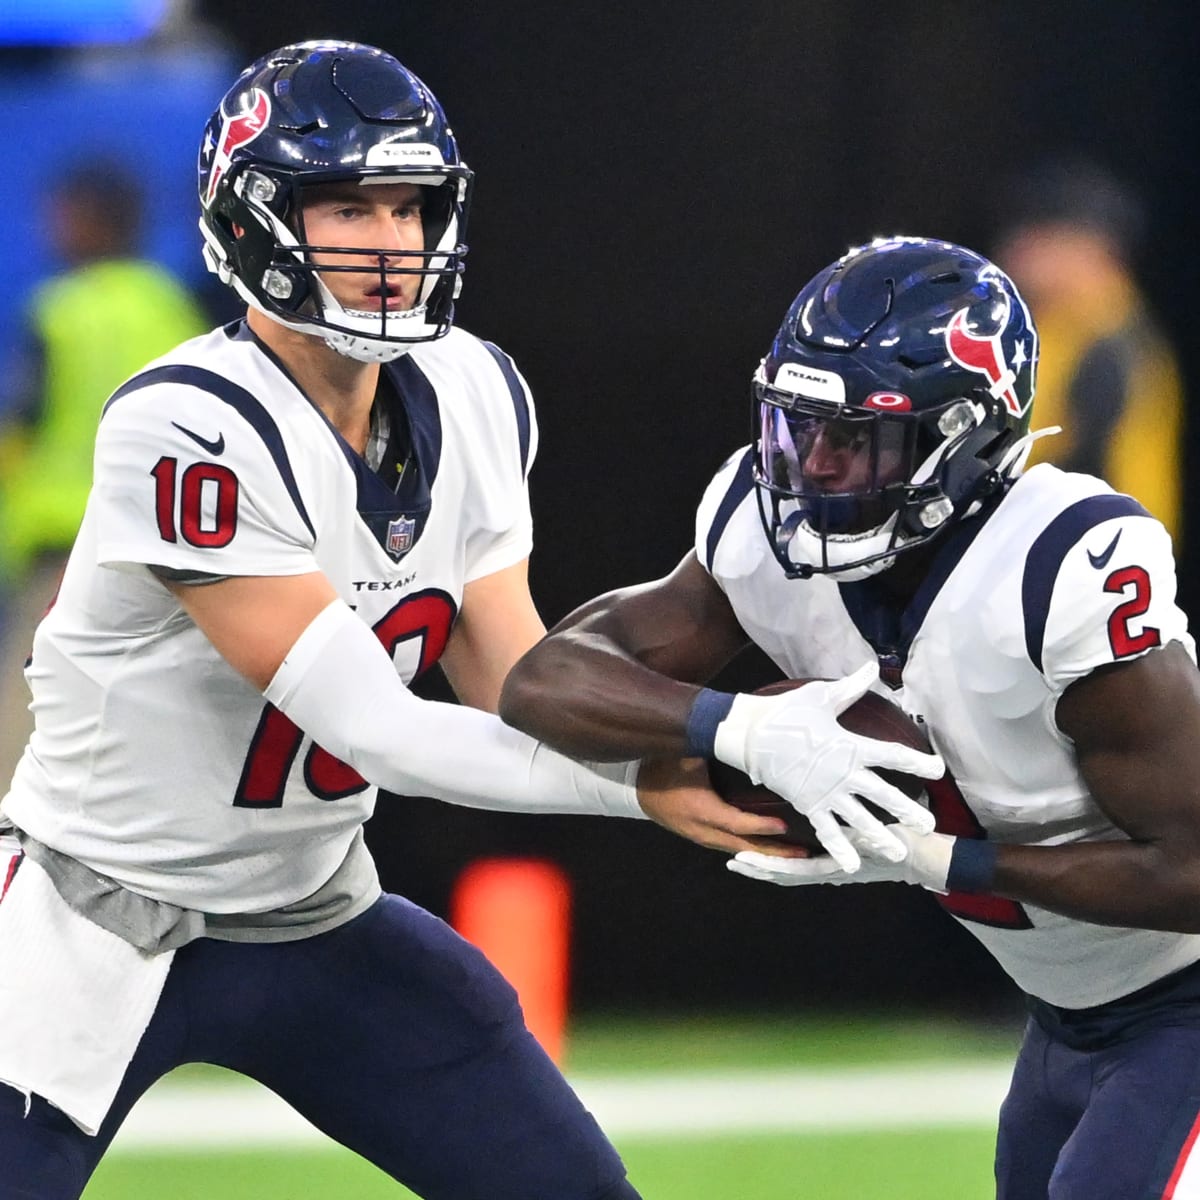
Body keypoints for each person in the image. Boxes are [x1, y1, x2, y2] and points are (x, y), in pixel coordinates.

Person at [0, 43, 941, 1200]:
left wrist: (675, 749)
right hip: (97, 922)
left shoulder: (475, 390)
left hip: (314, 912)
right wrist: (711, 745)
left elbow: (518, 684)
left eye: (410, 206)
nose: (390, 241)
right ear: (250, 220)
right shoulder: (187, 425)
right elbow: (381, 733)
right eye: (347, 204)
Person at [500, 235, 1200, 1200]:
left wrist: (935, 858)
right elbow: (543, 680)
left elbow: (1195, 871)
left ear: (961, 439)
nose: (815, 467)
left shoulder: (1055, 571)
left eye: (856, 438)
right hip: (1065, 1017)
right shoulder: (761, 533)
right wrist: (737, 728)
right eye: (799, 428)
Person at [0, 160, 209, 784]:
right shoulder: (176, 313)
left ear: (90, 220)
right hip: (164, 554)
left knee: (25, 734)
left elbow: (18, 427)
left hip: (63, 553)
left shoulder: (60, 310)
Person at [991, 156, 1185, 542]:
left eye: (1039, 236)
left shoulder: (1110, 345)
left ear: (1093, 248)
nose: (1016, 249)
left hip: (1099, 561)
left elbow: (1043, 463)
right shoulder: (1060, 325)